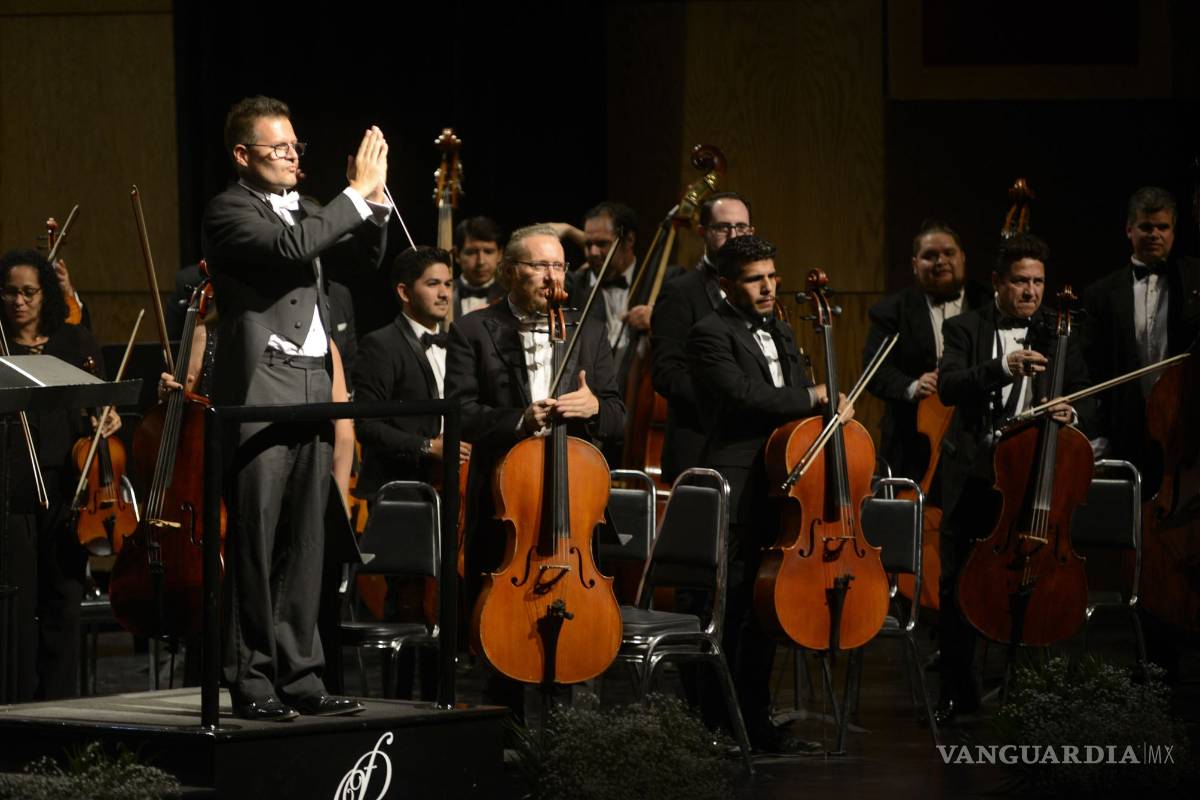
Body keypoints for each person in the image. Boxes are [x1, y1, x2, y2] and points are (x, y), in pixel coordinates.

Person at [201, 95, 390, 721]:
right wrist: (353, 196)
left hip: (312, 381)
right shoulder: (229, 210)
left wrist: (376, 207)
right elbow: (289, 250)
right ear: (242, 154)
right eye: (278, 147)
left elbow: (361, 261)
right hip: (261, 384)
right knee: (257, 537)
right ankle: (251, 681)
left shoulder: (309, 208)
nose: (291, 157)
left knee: (309, 536)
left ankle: (303, 678)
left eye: (294, 147)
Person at [444, 223, 624, 715]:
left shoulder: (585, 328)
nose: (552, 277)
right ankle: (504, 741)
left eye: (559, 266)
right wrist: (519, 420)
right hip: (507, 508)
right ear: (510, 273)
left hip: (574, 507)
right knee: (502, 649)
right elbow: (459, 413)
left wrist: (593, 407)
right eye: (540, 266)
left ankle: (566, 744)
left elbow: (617, 414)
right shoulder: (474, 330)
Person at [688, 234, 843, 753]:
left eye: (773, 277)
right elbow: (742, 396)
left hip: (784, 485)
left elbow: (799, 396)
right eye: (756, 279)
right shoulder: (710, 333)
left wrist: (827, 408)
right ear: (728, 285)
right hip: (739, 483)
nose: (769, 287)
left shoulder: (781, 329)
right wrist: (811, 397)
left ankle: (755, 721)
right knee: (729, 609)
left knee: (765, 607)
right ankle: (715, 724)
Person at [936, 233, 1089, 722]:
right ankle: (959, 695)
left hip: (1031, 479)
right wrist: (1003, 366)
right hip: (976, 476)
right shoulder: (965, 328)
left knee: (1032, 581)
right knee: (958, 583)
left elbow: (1088, 391)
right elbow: (950, 387)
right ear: (998, 282)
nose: (1031, 292)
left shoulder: (1058, 329)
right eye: (1020, 281)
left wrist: (1072, 411)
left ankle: (1028, 688)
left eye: (1038, 282)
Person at [1079, 185, 1200, 681]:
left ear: (1175, 231)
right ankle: (1149, 651)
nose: (1154, 235)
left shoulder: (1194, 281)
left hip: (1188, 438)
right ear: (1128, 230)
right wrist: (1098, 433)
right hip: (1129, 436)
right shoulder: (1101, 293)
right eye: (1145, 226)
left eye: (1163, 226)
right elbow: (1089, 373)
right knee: (1141, 544)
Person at [0, 248, 118, 701]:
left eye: (28, 292)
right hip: (11, 489)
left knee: (63, 599)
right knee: (17, 601)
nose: (18, 301)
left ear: (45, 294)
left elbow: (100, 407)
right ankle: (16, 702)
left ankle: (59, 702)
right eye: (10, 292)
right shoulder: (0, 346)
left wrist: (106, 418)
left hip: (69, 488)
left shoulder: (74, 343)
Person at [863, 221, 993, 482]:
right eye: (929, 256)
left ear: (963, 258)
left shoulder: (989, 303)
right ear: (914, 264)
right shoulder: (891, 311)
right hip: (911, 440)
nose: (940, 261)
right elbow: (874, 372)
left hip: (977, 436)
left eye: (948, 253)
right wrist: (912, 385)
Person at [652, 191, 754, 483]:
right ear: (703, 232)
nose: (734, 236)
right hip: (699, 450)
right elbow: (666, 373)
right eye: (723, 228)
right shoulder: (680, 292)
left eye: (741, 227)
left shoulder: (761, 291)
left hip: (748, 451)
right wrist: (728, 400)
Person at [453, 217, 506, 318]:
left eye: (488, 251)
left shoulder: (511, 296)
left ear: (500, 254)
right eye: (471, 252)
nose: (480, 262)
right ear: (456, 255)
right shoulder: (443, 294)